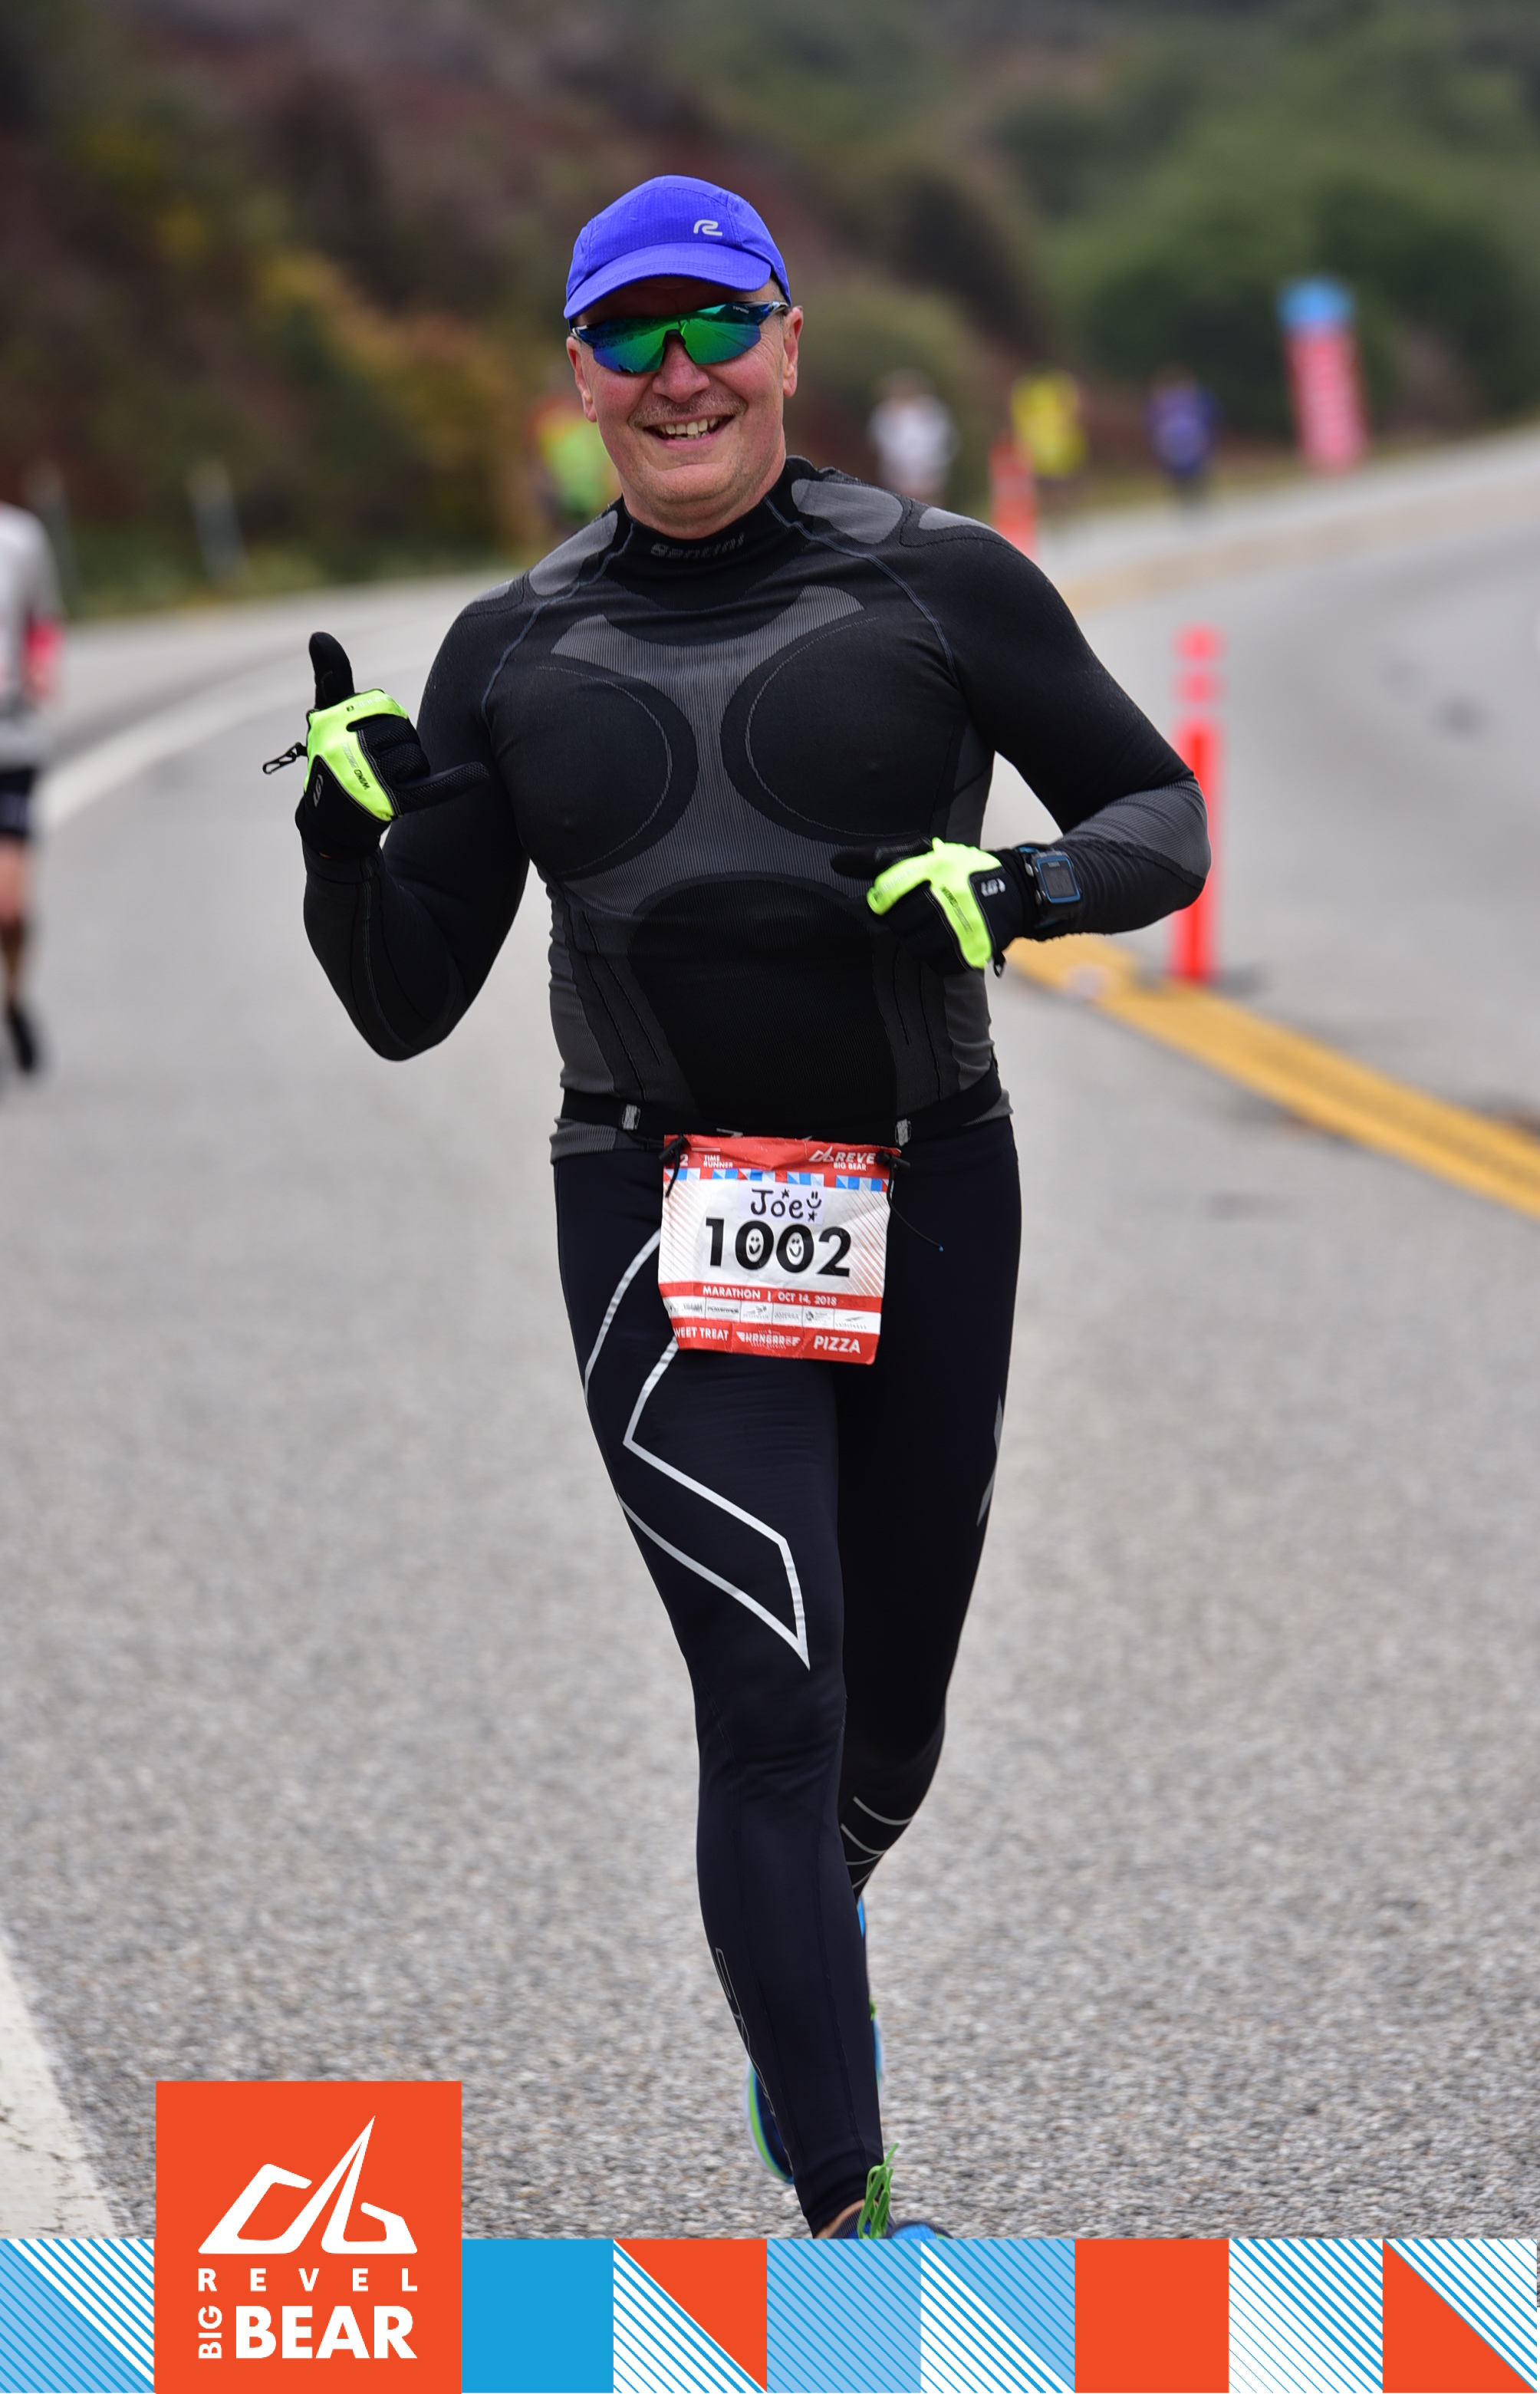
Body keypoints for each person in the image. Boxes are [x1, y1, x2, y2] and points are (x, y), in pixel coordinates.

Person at [286, 173, 1208, 2240]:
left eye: (715, 324)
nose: (677, 372)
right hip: (654, 1201)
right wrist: (347, 849)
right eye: (630, 336)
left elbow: (1157, 808)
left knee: (886, 1728)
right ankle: (849, 2205)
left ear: (790, 341)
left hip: (928, 1179)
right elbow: (407, 997)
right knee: (770, 1691)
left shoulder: (942, 584)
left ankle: (795, 1945)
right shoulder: (509, 648)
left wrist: (1030, 886)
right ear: (577, 377)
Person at [0, 501, 63, 1074]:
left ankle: (14, 1000)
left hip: (11, 740)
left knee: (10, 909)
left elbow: (42, 620)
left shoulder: (20, 537)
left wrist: (42, 667)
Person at [867, 370, 958, 503]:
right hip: (898, 476)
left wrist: (935, 464)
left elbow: (942, 437)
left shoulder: (931, 408)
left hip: (930, 473)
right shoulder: (886, 412)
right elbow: (881, 442)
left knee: (931, 506)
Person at [1146, 367, 1219, 502]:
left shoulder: (1160, 405)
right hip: (1193, 453)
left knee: (1186, 491)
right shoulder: (1196, 400)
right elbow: (1212, 421)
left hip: (1176, 455)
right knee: (1195, 490)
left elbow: (1151, 430)